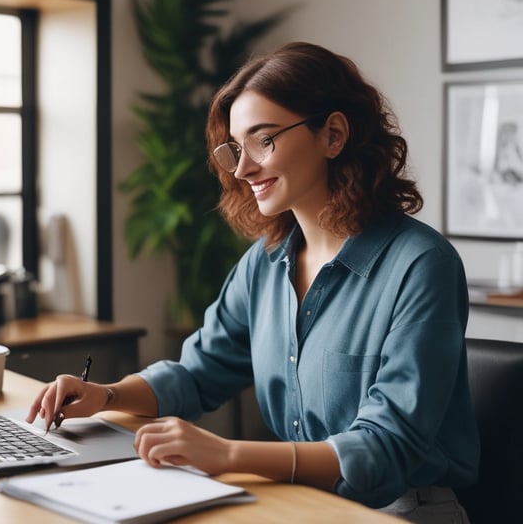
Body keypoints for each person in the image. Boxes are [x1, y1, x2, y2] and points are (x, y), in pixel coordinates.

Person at [27, 42, 479, 522]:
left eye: (264, 141)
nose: (242, 170)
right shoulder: (264, 262)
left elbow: (387, 447)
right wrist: (107, 395)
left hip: (400, 511)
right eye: (236, 149)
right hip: (299, 501)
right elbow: (199, 372)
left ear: (333, 135)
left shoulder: (422, 265)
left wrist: (228, 454)